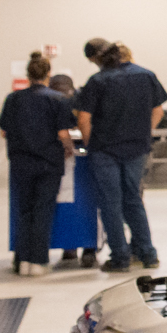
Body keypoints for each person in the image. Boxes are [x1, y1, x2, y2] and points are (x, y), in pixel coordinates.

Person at [75, 40, 167, 272]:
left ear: (96, 59)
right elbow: (158, 111)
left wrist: (90, 146)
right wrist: (142, 134)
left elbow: (83, 119)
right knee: (133, 200)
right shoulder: (146, 75)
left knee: (110, 204)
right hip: (137, 149)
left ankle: (120, 257)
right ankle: (148, 254)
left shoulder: (97, 81)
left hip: (105, 151)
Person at [0, 52, 77, 275]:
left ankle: (21, 261)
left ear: (27, 74)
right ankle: (38, 261)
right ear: (48, 74)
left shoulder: (12, 99)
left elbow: (5, 130)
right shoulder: (58, 100)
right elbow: (63, 133)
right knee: (43, 211)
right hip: (48, 163)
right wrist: (69, 149)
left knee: (24, 211)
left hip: (21, 162)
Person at [46, 73, 97, 266]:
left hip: (62, 161)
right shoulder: (74, 100)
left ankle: (74, 248)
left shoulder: (53, 101)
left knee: (71, 206)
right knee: (84, 204)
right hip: (83, 161)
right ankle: (83, 248)